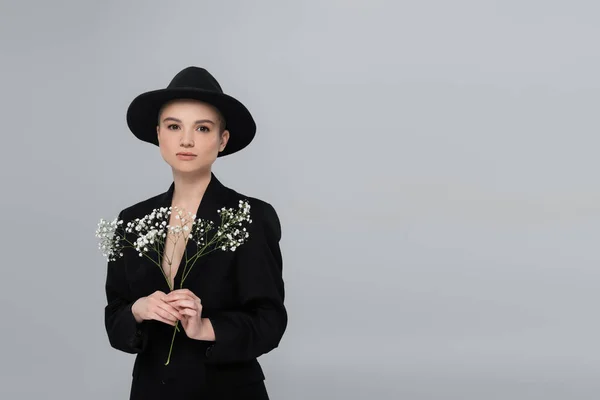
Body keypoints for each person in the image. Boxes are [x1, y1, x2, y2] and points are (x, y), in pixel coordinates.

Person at [104, 66, 287, 400]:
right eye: (174, 126)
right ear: (159, 134)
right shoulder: (132, 220)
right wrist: (139, 310)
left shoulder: (251, 217)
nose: (186, 140)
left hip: (227, 390)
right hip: (151, 390)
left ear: (223, 140)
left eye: (202, 128)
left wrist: (206, 328)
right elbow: (114, 316)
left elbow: (269, 321)